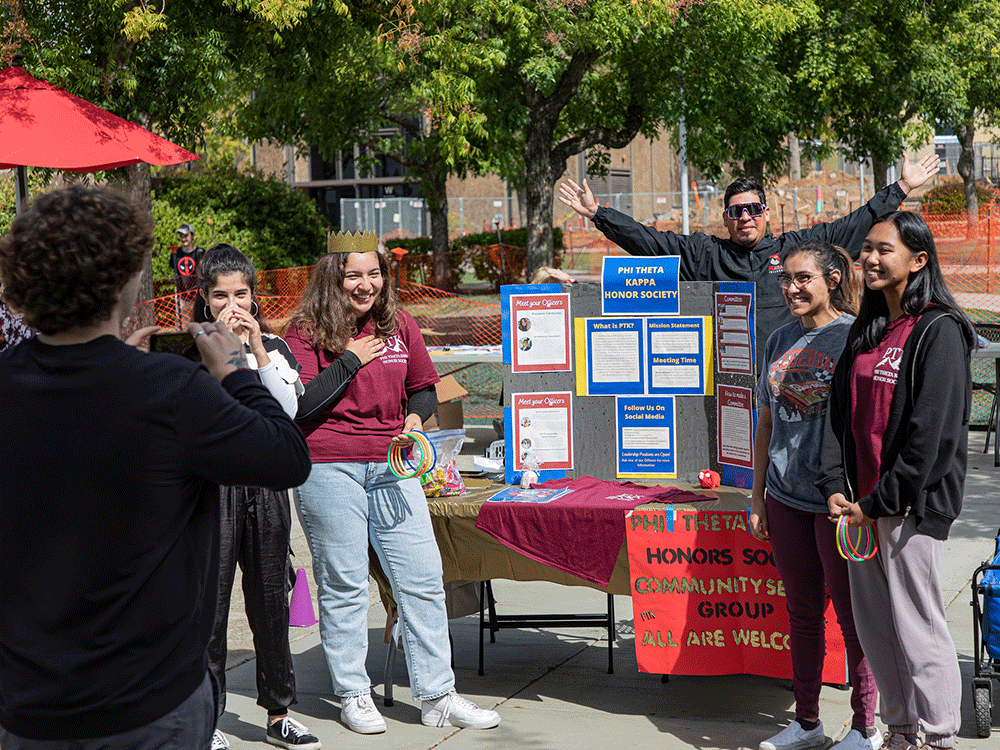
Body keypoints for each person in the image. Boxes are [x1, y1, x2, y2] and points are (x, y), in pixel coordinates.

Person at [0, 185, 311, 749]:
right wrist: (238, 374)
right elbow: (287, 455)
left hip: (27, 702)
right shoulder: (171, 392)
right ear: (123, 284)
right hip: (149, 704)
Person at [285, 245, 501, 735]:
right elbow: (300, 403)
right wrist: (350, 360)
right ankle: (353, 693)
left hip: (392, 462)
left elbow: (424, 385)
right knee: (343, 582)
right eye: (353, 275)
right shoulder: (305, 330)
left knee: (423, 578)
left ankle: (437, 696)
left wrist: (414, 416)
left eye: (375, 274)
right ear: (332, 278)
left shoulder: (398, 323)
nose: (366, 284)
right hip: (329, 464)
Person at [816, 211, 975, 750]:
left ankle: (938, 736)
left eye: (885, 249)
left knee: (918, 628)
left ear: (919, 260)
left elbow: (931, 436)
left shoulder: (939, 330)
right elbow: (840, 418)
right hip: (858, 511)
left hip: (908, 510)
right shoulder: (866, 330)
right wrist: (836, 484)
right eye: (866, 249)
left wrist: (881, 501)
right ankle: (902, 732)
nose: (871, 258)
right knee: (879, 631)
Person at [558, 154, 941, 367]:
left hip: (795, 369)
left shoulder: (796, 249)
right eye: (736, 212)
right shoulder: (706, 254)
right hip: (730, 379)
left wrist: (902, 187)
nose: (746, 218)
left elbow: (854, 226)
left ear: (767, 213)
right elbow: (651, 241)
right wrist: (597, 214)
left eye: (754, 209)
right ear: (725, 218)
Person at [749, 240, 878, 750]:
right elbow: (765, 421)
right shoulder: (778, 338)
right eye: (786, 279)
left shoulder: (854, 339)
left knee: (852, 617)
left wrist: (860, 499)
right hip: (783, 497)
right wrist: (758, 495)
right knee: (801, 613)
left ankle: (866, 727)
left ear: (832, 281)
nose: (792, 288)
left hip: (836, 504)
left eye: (804, 278)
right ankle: (806, 723)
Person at [194, 245, 319, 750]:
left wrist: (257, 351)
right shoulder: (196, 349)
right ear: (205, 299)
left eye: (240, 294)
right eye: (221, 295)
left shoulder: (275, 347)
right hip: (216, 487)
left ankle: (279, 712)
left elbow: (288, 409)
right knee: (212, 608)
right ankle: (210, 719)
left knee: (271, 601)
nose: (232, 305)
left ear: (254, 295)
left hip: (266, 486)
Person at [172, 222, 206, 294]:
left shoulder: (200, 252)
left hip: (198, 294)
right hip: (182, 295)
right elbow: (175, 274)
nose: (183, 239)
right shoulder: (176, 253)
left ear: (192, 235)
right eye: (181, 236)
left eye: (186, 236)